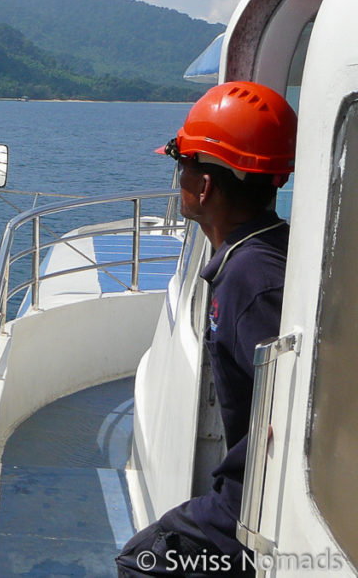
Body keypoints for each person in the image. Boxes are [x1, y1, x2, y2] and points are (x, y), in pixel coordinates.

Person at [116, 81, 298, 576]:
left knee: (141, 561)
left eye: (183, 166)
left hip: (253, 507)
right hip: (252, 494)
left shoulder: (249, 280)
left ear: (204, 187)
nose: (178, 179)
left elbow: (293, 407)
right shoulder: (269, 250)